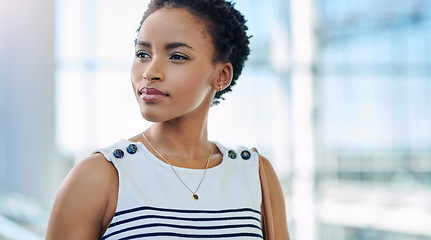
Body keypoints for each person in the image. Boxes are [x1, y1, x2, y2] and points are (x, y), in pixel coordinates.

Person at [46, 0, 289, 239]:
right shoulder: (99, 176)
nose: (150, 72)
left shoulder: (255, 174)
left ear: (221, 76)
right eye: (143, 54)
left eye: (177, 56)